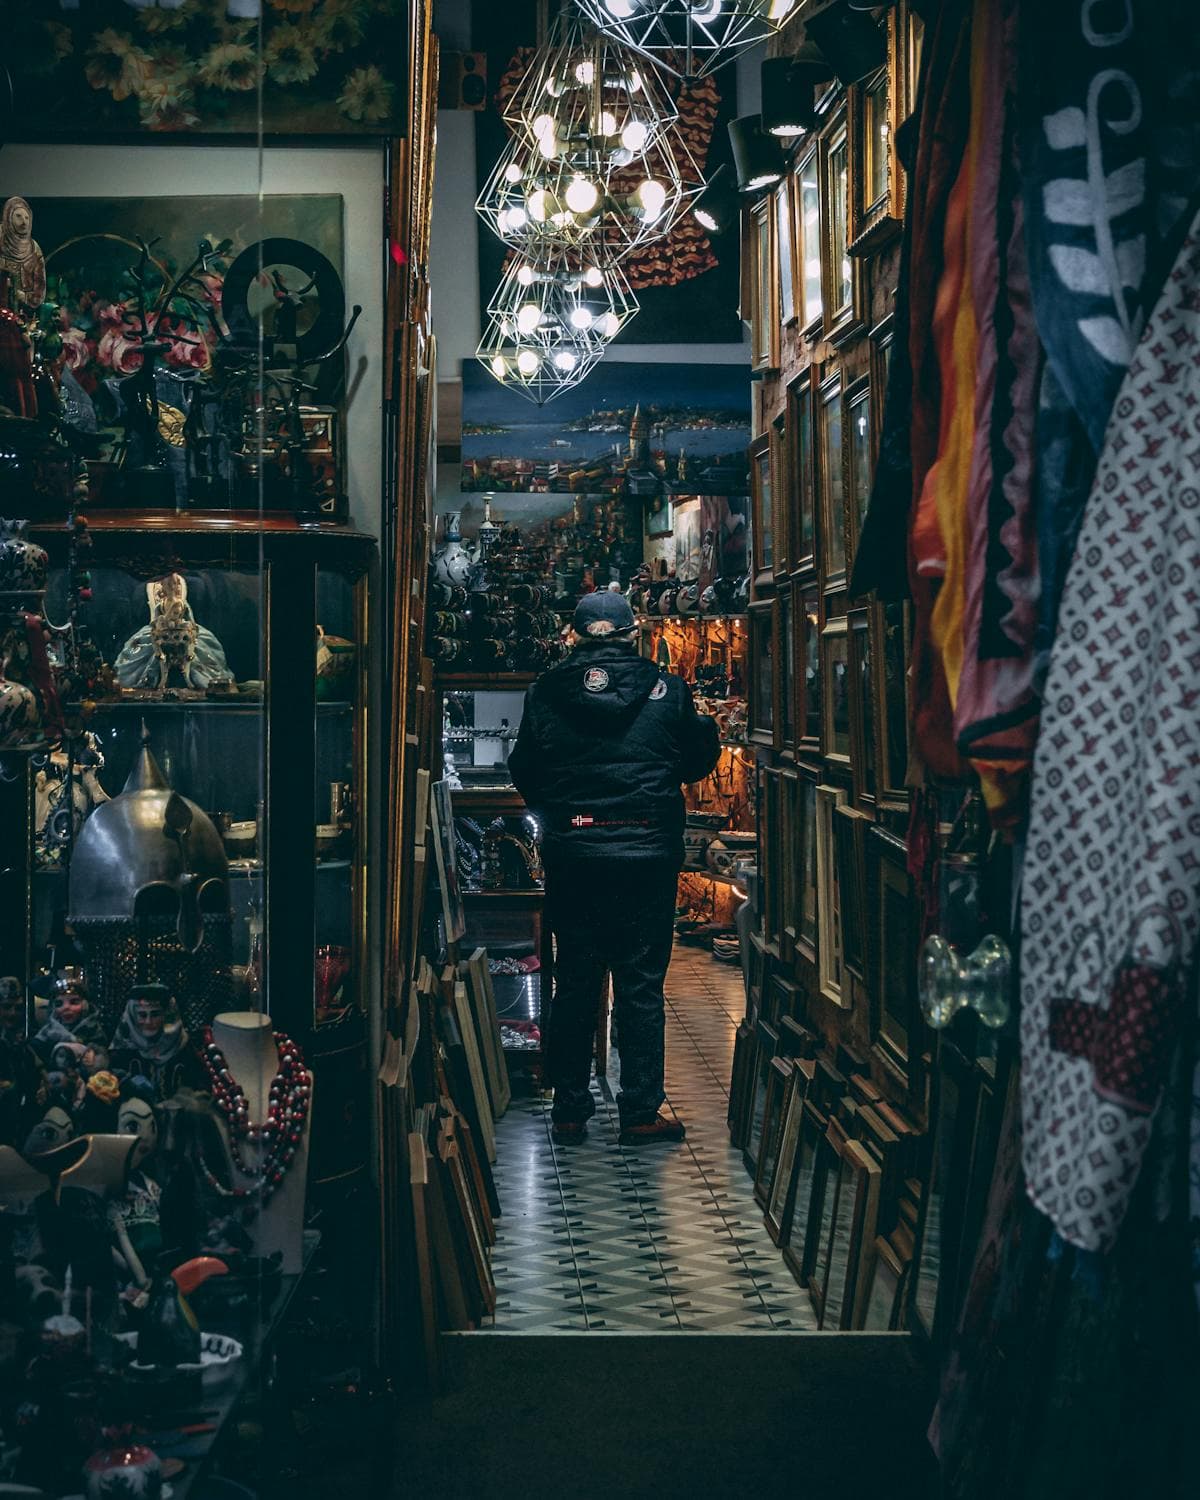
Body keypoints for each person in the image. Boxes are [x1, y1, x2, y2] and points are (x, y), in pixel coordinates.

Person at [508, 589, 719, 1146]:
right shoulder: (667, 690)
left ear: (575, 636)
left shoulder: (546, 692)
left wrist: (562, 814)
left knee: (575, 982)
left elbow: (524, 769)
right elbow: (698, 761)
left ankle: (570, 1109)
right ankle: (640, 1110)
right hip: (646, 857)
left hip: (575, 857)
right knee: (641, 984)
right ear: (632, 633)